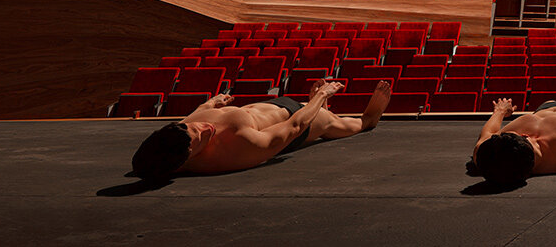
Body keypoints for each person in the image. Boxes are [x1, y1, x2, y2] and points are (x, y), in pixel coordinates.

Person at [129, 79, 389, 180]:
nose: (204, 127)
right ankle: (369, 118)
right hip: (293, 120)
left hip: (267, 106)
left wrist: (210, 103)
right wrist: (320, 97)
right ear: (189, 157)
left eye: (193, 127)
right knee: (341, 124)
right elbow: (295, 126)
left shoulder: (177, 134)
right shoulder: (240, 148)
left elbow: (194, 117)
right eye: (202, 136)